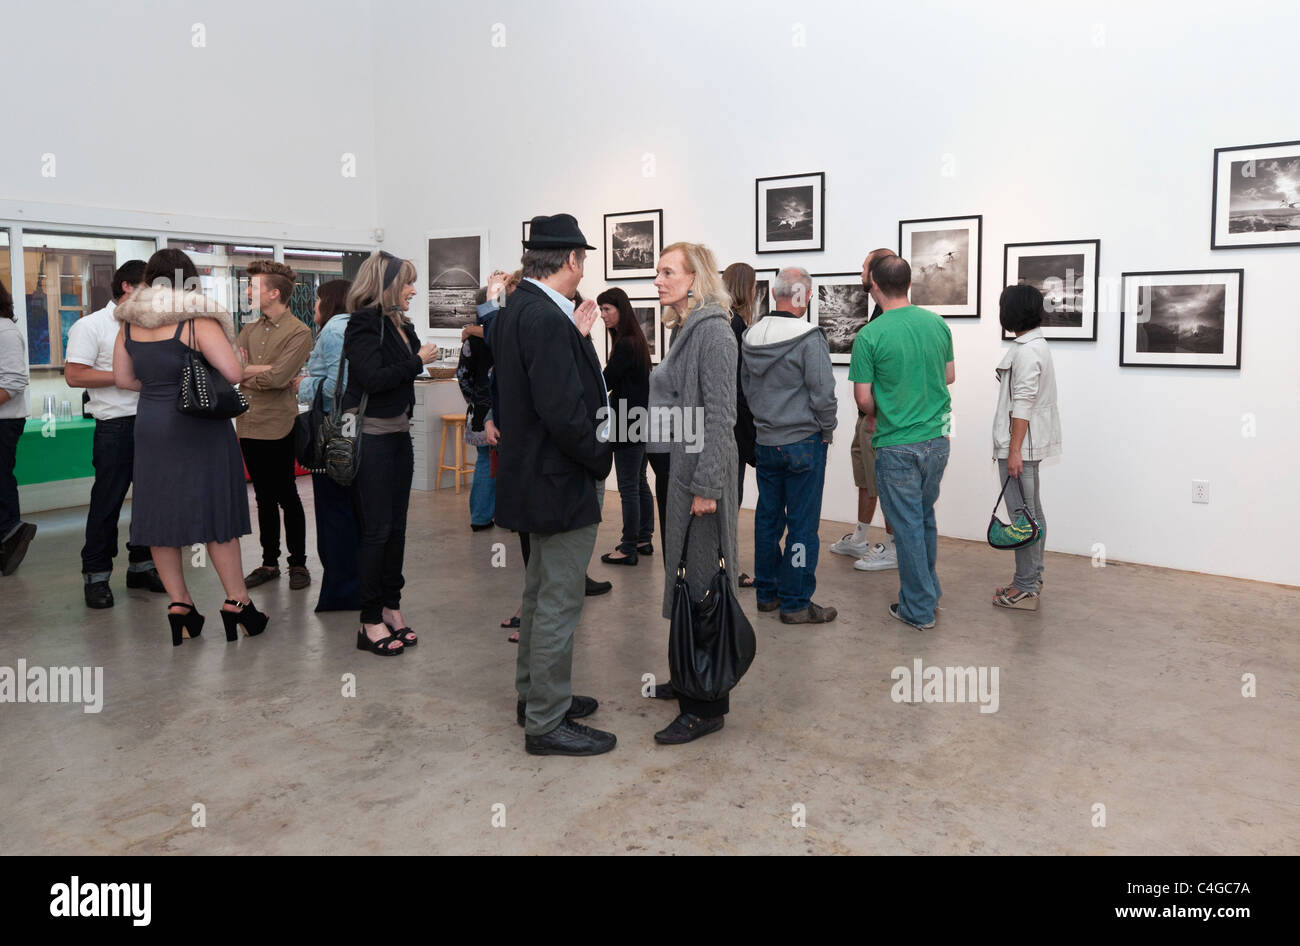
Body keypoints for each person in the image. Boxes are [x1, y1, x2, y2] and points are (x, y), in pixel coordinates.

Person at [494, 213, 615, 756]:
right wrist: (599, 458)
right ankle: (546, 722)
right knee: (559, 602)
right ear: (571, 260)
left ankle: (534, 696)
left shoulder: (523, 308)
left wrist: (579, 336)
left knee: (540, 594)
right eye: (583, 259)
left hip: (534, 477)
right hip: (559, 479)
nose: (584, 268)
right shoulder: (543, 317)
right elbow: (564, 411)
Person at [112, 248, 272, 645]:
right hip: (198, 426)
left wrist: (159, 389)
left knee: (159, 515)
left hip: (151, 424)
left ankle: (180, 605)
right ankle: (237, 602)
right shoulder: (196, 320)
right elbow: (233, 372)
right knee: (215, 511)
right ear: (190, 281)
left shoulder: (128, 323)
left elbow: (123, 379)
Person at [647, 241, 740, 745]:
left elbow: (722, 416)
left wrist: (707, 487)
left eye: (667, 272)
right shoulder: (688, 329)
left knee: (703, 582)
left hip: (702, 480)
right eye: (657, 272)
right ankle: (689, 674)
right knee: (685, 574)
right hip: (682, 475)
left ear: (694, 278)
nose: (658, 281)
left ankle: (706, 705)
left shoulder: (715, 334)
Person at [342, 251, 441, 656]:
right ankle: (368, 621)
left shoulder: (397, 324)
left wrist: (412, 346)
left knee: (396, 529)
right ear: (385, 286)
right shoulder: (364, 323)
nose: (413, 290)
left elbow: (401, 368)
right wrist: (417, 360)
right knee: (377, 531)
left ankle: (391, 608)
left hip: (398, 435)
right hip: (372, 438)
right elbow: (372, 378)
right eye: (407, 283)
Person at [848, 254, 955, 631]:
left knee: (907, 526)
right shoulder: (937, 324)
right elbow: (950, 376)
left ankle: (918, 608)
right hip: (937, 440)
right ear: (909, 283)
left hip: (896, 444)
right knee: (923, 518)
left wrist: (881, 411)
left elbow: (863, 399)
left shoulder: (870, 335)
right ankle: (929, 592)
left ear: (874, 283)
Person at [64, 259, 166, 607]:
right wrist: (125, 377)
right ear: (127, 286)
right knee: (107, 503)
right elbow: (75, 375)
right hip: (115, 426)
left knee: (151, 502)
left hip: (152, 421)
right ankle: (96, 575)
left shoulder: (150, 327)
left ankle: (141, 566)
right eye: (148, 287)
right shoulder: (91, 325)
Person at [741, 265, 838, 623]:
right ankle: (796, 602)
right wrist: (827, 429)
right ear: (804, 295)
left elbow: (747, 390)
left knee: (767, 519)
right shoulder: (809, 337)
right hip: (802, 442)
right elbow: (823, 393)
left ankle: (766, 594)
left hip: (766, 442)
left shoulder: (752, 334)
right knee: (801, 524)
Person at [236, 259, 313, 591]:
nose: (249, 291)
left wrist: (251, 371)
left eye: (254, 286)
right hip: (248, 424)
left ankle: (298, 563)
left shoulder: (300, 331)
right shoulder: (249, 329)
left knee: (287, 495)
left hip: (279, 425)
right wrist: (260, 371)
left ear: (275, 292)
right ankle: (269, 563)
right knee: (262, 498)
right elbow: (231, 370)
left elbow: (279, 377)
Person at [991, 283, 1061, 610]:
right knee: (1032, 515)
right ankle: (1032, 578)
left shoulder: (1028, 350)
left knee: (1023, 518)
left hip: (1021, 448)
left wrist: (1015, 450)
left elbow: (1023, 402)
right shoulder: (1033, 345)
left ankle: (1025, 586)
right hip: (1026, 446)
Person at [831, 248, 898, 571]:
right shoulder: (878, 313)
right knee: (865, 478)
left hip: (879, 420)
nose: (860, 272)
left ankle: (894, 546)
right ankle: (860, 537)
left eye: (864, 267)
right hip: (867, 417)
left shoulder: (890, 319)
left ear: (875, 275)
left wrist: (874, 412)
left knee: (883, 481)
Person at [296, 278, 360, 612]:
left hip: (333, 433)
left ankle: (343, 591)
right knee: (350, 513)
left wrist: (305, 384)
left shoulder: (335, 329)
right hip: (352, 432)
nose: (313, 305)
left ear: (331, 301)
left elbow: (341, 386)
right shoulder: (355, 326)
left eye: (318, 299)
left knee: (335, 514)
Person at [595, 286, 653, 566]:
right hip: (638, 421)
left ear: (621, 309)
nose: (603, 315)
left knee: (629, 486)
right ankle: (643, 538)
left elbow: (606, 382)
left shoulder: (626, 344)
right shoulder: (634, 340)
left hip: (627, 423)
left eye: (607, 309)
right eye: (601, 309)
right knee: (639, 483)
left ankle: (628, 547)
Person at [722, 262, 758, 588]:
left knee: (728, 501)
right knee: (729, 501)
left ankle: (725, 567)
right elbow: (735, 384)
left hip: (728, 423)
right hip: (732, 426)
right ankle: (728, 570)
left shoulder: (726, 320)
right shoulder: (733, 324)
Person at [0, 277, 36, 577]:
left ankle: (10, 537)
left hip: (4, 421)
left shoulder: (5, 331)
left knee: (0, 480)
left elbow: (13, 381)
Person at [459, 280, 502, 531]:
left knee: (485, 462)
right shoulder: (506, 335)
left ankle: (480, 517)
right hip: (502, 407)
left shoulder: (471, 340)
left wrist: (474, 399)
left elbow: (464, 375)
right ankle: (507, 515)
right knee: (505, 463)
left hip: (479, 408)